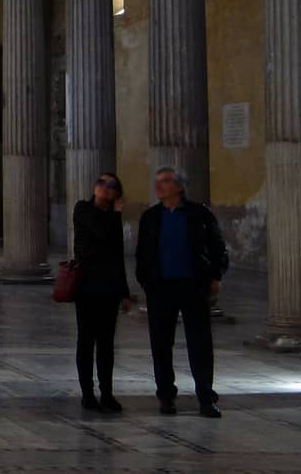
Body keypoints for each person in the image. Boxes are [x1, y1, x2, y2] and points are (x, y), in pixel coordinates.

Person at [135, 166, 230, 417]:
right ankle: (166, 396)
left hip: (192, 285)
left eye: (165, 182)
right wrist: (146, 281)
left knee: (200, 343)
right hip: (161, 286)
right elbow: (142, 254)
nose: (159, 186)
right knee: (161, 344)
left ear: (179, 186)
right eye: (157, 182)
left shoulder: (199, 214)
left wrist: (215, 275)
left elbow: (218, 247)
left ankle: (205, 397)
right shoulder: (151, 217)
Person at [71, 172, 133, 412]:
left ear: (117, 193)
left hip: (108, 287)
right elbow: (101, 232)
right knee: (86, 340)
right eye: (101, 182)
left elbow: (118, 254)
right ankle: (88, 393)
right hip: (86, 285)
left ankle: (107, 393)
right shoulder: (83, 209)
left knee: (106, 343)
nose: (105, 187)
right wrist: (116, 214)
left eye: (111, 185)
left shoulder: (113, 218)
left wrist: (124, 291)